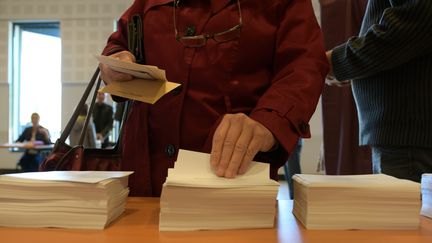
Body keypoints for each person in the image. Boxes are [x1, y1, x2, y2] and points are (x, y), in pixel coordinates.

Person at [100, 0, 329, 196]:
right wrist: (114, 63)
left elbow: (304, 65)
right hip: (144, 175)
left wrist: (269, 121)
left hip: (230, 176)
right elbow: (120, 42)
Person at [326, 0, 432, 182]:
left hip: (409, 134)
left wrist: (336, 62)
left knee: (402, 210)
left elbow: (408, 26)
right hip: (408, 134)